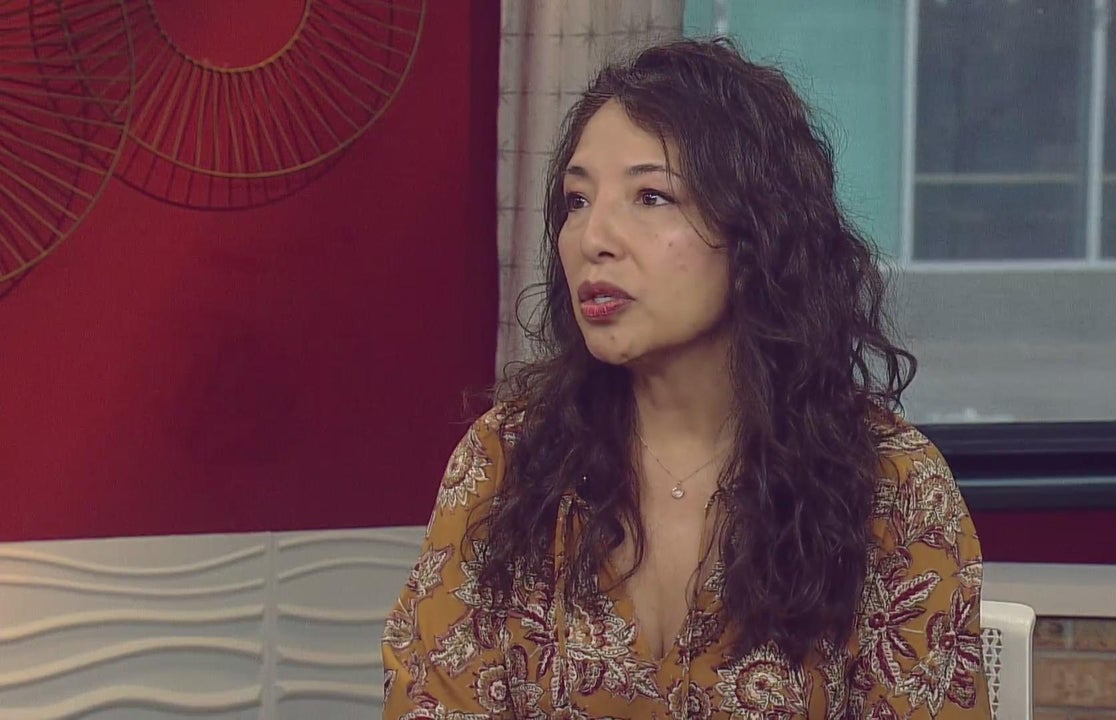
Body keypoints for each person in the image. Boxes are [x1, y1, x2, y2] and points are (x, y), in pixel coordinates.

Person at [382, 38, 990, 719]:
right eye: (576, 200)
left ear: (757, 234)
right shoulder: (507, 460)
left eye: (651, 196)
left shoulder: (892, 487)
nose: (592, 238)